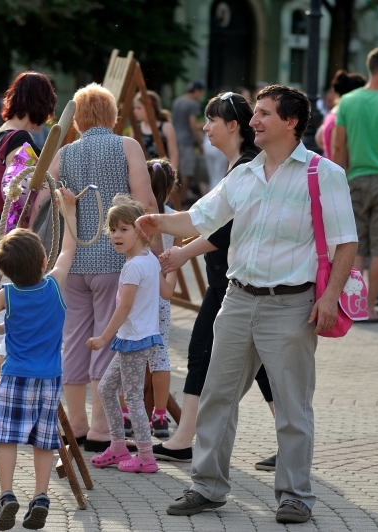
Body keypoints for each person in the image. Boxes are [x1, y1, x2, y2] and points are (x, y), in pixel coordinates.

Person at [138, 85, 357, 524]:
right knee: (218, 397)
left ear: (291, 122)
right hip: (237, 300)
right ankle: (207, 487)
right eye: (254, 113)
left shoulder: (322, 173)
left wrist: (330, 296)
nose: (253, 121)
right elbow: (201, 218)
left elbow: (346, 242)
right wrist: (156, 220)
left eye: (263, 114)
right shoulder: (244, 174)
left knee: (294, 406)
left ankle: (294, 495)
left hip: (292, 305)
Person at [153, 91, 276, 471]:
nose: (205, 127)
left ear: (232, 126)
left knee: (202, 352)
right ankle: (290, 439)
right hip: (231, 280)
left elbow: (223, 230)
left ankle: (184, 439)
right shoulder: (242, 164)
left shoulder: (249, 166)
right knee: (258, 367)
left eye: (212, 120)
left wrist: (182, 251)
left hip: (236, 283)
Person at [45, 83, 157, 453]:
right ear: (112, 116)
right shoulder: (127, 147)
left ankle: (74, 423)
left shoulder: (65, 153)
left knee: (75, 340)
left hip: (73, 259)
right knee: (107, 339)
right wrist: (155, 250)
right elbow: (145, 198)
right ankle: (100, 427)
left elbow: (44, 195)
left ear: (76, 120)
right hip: (114, 259)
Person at [0, 189, 78, 532]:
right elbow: (69, 250)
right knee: (44, 441)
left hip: (15, 375)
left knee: (7, 438)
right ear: (43, 262)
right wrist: (68, 212)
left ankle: (6, 495)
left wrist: (1, 325)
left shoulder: (7, 294)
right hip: (49, 378)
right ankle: (41, 496)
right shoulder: (53, 286)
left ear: (5, 270)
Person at [0, 71, 57, 426]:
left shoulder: (2, 132)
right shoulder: (23, 137)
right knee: (9, 335)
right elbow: (16, 188)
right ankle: (3, 405)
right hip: (6, 241)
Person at [88, 195, 175, 474]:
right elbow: (167, 292)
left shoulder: (134, 266)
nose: (116, 235)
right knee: (106, 389)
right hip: (137, 337)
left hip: (134, 339)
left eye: (124, 229)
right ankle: (117, 446)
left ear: (140, 232)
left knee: (134, 397)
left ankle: (146, 457)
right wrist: (170, 267)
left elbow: (124, 307)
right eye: (113, 230)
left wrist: (103, 338)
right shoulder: (147, 259)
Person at [333, 47, 378, 324]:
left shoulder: (348, 102)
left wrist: (339, 183)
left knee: (357, 246)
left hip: (356, 180)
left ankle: (355, 307)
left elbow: (339, 147)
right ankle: (370, 307)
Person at [143, 159, 179, 439]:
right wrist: (168, 292)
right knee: (160, 355)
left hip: (136, 292)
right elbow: (173, 265)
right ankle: (159, 415)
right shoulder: (173, 219)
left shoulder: (136, 216)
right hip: (161, 295)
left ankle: (127, 414)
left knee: (127, 353)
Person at [315, 71, 365, 160]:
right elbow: (338, 148)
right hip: (342, 171)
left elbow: (319, 138)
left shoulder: (333, 112)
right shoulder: (342, 116)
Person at [171, 81, 205, 202]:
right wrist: (200, 142)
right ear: (197, 91)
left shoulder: (177, 101)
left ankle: (172, 198)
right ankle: (181, 200)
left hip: (175, 140)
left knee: (175, 170)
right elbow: (192, 124)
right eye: (201, 92)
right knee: (187, 172)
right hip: (187, 142)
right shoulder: (192, 104)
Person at [132, 91, 179, 171]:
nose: (135, 111)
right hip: (143, 173)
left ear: (150, 108)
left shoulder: (165, 126)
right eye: (135, 108)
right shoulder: (136, 129)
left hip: (162, 174)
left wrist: (172, 176)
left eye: (139, 108)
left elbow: (173, 154)